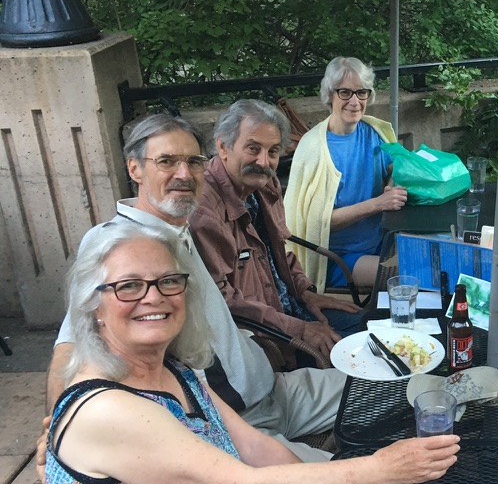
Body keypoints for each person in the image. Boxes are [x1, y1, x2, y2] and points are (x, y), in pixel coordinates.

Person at [45, 221, 459, 484]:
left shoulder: (173, 370)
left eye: (169, 281)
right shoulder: (105, 408)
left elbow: (259, 449)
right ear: (92, 305)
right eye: (128, 286)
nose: (154, 296)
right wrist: (382, 468)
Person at [46, 114, 347, 461]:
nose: (184, 174)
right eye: (166, 161)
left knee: (405, 388)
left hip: (273, 391)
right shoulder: (117, 247)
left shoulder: (177, 229)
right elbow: (69, 349)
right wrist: (55, 433)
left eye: (193, 162)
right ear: (135, 169)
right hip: (232, 424)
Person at [191, 100, 362, 365]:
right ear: (223, 147)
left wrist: (306, 292)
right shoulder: (205, 213)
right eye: (253, 148)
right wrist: (299, 328)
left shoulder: (263, 183)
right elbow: (222, 303)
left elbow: (277, 251)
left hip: (290, 306)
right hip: (264, 338)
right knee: (357, 360)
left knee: (370, 327)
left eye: (272, 151)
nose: (264, 161)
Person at [284, 57, 407, 292]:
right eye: (345, 93)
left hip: (379, 240)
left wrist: (392, 183)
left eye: (362, 93)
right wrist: (378, 203)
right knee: (407, 273)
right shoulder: (314, 149)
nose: (355, 101)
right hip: (334, 258)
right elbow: (315, 223)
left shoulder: (374, 132)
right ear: (329, 95)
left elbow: (393, 169)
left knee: (436, 255)